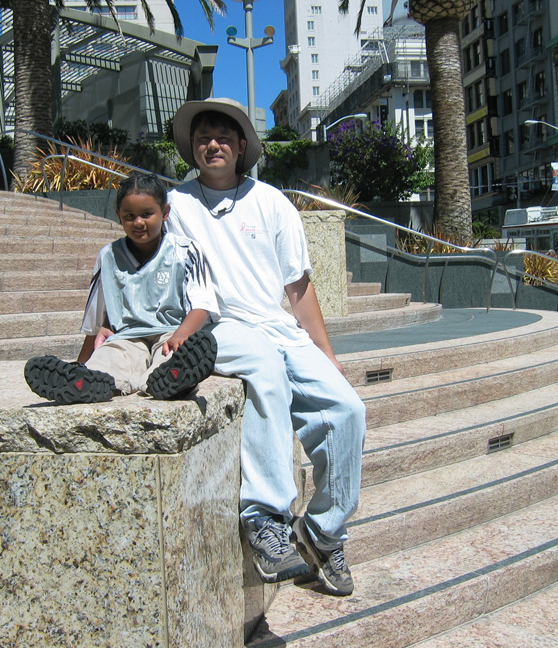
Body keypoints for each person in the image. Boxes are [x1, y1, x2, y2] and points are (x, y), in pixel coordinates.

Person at [166, 98, 366, 597]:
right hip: (218, 324)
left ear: (241, 146)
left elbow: (298, 288)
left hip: (276, 325)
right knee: (263, 369)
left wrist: (327, 354)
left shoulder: (273, 202)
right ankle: (266, 515)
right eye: (203, 136)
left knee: (347, 408)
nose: (212, 143)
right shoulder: (177, 205)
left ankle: (322, 531)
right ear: (193, 148)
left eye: (223, 135)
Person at [24, 173, 219, 404]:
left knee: (172, 358)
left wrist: (182, 335)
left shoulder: (186, 251)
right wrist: (82, 364)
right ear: (118, 216)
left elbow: (202, 305)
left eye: (147, 214)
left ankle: (174, 380)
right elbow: (95, 324)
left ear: (165, 213)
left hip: (170, 332)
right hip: (125, 336)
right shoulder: (108, 256)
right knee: (107, 360)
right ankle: (81, 382)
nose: (138, 222)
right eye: (130, 216)